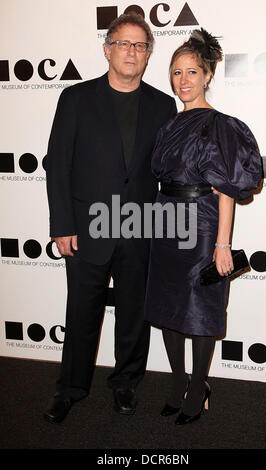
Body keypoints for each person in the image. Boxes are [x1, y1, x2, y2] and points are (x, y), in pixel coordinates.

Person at [44, 13, 177, 423]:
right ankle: (70, 388)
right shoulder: (76, 98)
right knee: (82, 311)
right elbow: (58, 165)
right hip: (86, 230)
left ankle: (125, 384)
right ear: (107, 49)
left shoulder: (162, 104)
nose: (131, 52)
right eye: (124, 44)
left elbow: (167, 169)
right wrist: (62, 226)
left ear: (148, 54)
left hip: (140, 228)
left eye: (140, 46)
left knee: (133, 314)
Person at [144, 28, 262, 425]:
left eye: (192, 71)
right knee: (168, 308)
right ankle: (177, 384)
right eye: (176, 72)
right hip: (164, 223)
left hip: (202, 225)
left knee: (198, 310)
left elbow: (227, 189)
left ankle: (198, 387)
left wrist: (223, 244)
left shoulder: (221, 125)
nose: (183, 80)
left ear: (208, 74)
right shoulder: (167, 125)